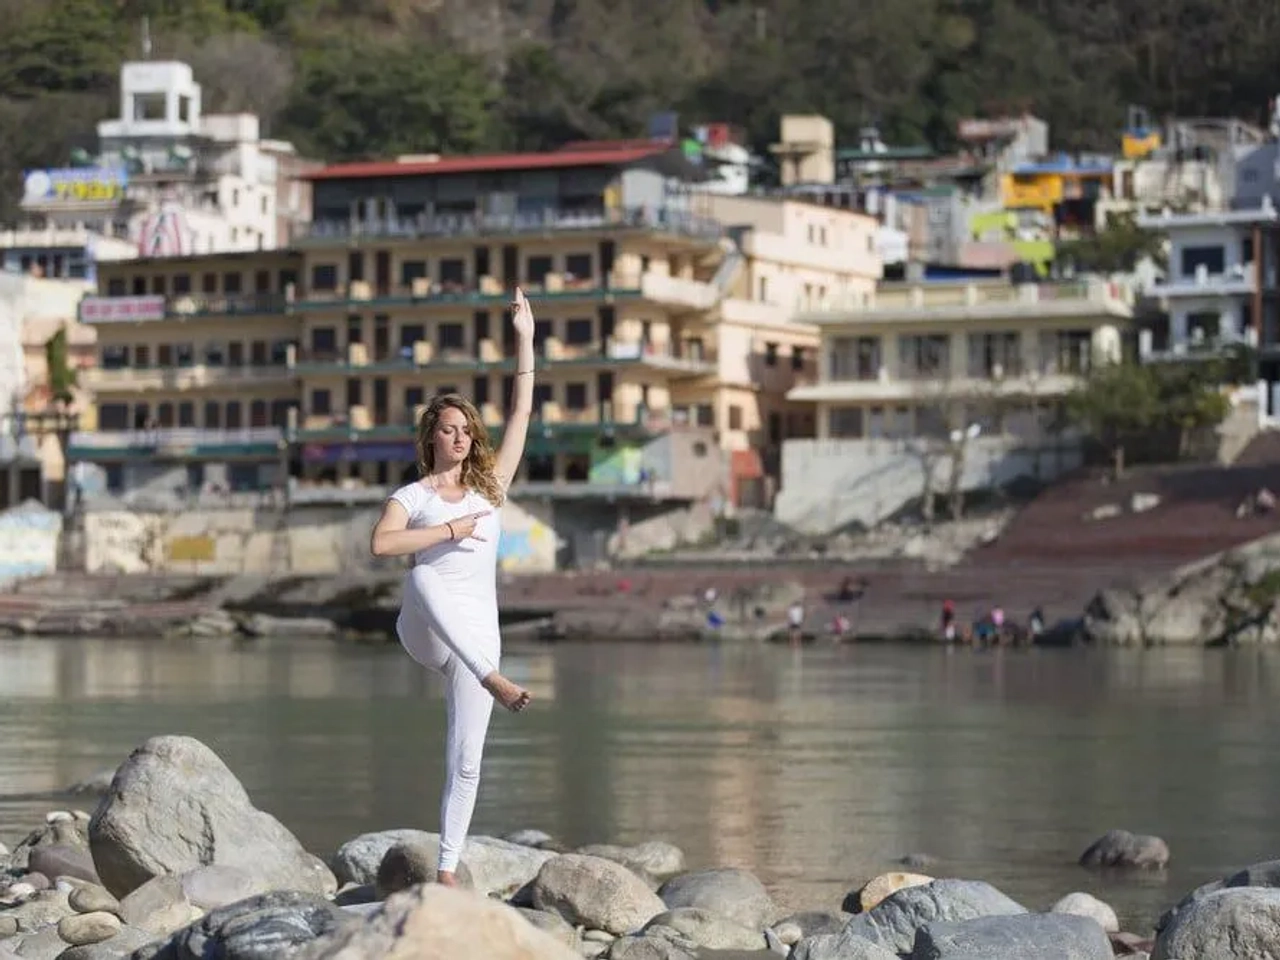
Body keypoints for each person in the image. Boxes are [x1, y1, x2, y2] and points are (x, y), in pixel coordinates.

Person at [369, 287, 537, 888]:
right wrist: (446, 530)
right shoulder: (411, 498)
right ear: (432, 437)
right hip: (425, 631)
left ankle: (444, 871)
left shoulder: (491, 489)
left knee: (466, 760)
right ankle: (490, 675)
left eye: (467, 429)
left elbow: (520, 413)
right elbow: (381, 545)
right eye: (449, 429)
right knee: (421, 574)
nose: (460, 438)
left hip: (477, 636)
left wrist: (525, 339)